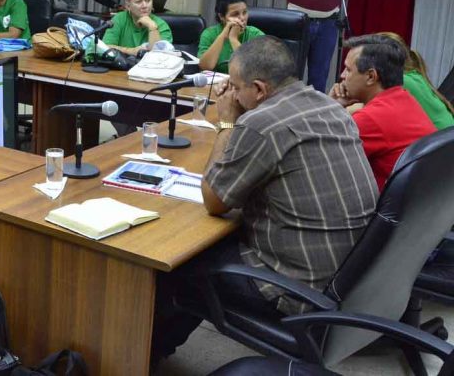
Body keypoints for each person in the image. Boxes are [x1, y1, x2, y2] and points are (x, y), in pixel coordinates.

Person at [152, 36, 377, 361]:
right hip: (347, 277)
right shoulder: (330, 106)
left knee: (176, 258)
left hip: (298, 288)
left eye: (235, 85)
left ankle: (148, 354)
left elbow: (215, 200)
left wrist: (228, 121)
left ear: (258, 90)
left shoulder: (262, 122)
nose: (230, 92)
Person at [329, 34, 436, 190]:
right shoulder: (404, 99)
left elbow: (321, 158)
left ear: (371, 77)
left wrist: (332, 106)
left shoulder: (370, 119)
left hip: (389, 209)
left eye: (348, 69)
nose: (342, 75)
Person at [378, 32, 454, 130]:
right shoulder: (412, 75)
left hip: (440, 141)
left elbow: (367, 110)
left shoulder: (401, 81)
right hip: (445, 138)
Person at [198, 0, 265, 73]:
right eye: (235, 14)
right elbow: (205, 67)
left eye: (244, 12)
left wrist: (233, 38)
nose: (242, 18)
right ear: (221, 16)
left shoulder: (255, 34)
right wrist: (223, 36)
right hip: (218, 84)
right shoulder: (209, 34)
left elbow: (249, 69)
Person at [101, 0, 172, 55]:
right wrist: (131, 51)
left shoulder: (161, 25)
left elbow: (159, 56)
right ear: (128, 6)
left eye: (148, 0)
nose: (144, 6)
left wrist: (152, 27)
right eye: (139, 1)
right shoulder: (119, 19)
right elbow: (105, 47)